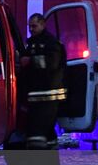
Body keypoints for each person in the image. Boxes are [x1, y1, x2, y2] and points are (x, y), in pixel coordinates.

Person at [20, 14, 66, 150]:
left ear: (43, 24)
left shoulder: (51, 43)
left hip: (49, 95)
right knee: (48, 133)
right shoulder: (31, 43)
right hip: (37, 96)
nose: (31, 29)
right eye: (29, 26)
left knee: (37, 133)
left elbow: (52, 63)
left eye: (34, 26)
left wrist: (30, 61)